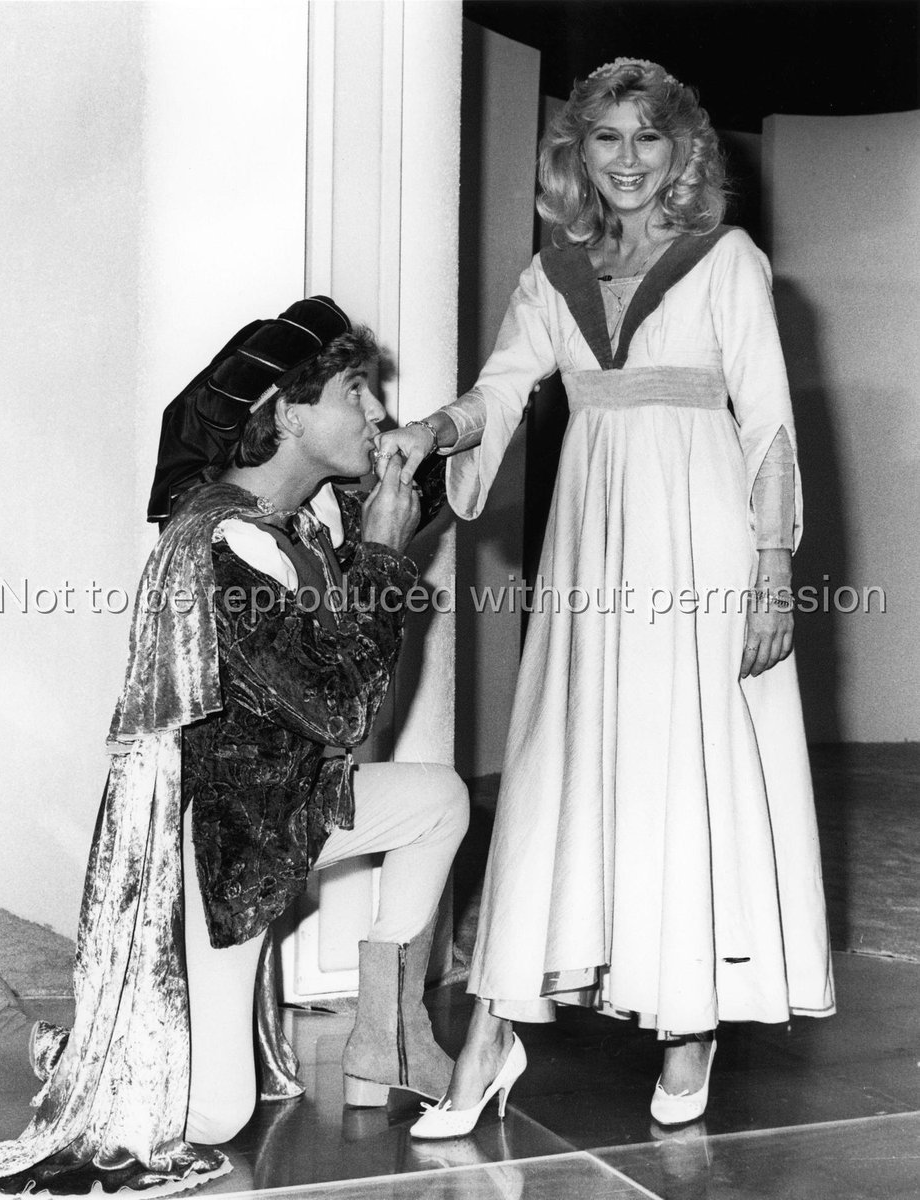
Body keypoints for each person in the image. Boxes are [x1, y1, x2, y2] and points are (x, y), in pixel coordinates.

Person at [378, 59, 835, 1138]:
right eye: (604, 138)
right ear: (574, 153)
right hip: (592, 554)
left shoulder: (727, 261)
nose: (627, 159)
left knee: (686, 768)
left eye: (647, 138)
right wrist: (431, 430)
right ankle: (491, 1038)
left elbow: (768, 421)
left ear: (682, 153)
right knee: (556, 764)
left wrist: (772, 569)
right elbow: (500, 390)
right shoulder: (553, 275)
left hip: (704, 549)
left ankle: (689, 1026)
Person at [0, 297, 468, 1193]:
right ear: (288, 414)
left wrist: (443, 434)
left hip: (288, 813)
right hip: (217, 854)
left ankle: (385, 1037)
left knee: (438, 799)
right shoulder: (220, 544)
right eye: (356, 393)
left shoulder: (294, 520)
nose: (377, 412)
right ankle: (13, 1036)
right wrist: (385, 559)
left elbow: (423, 484)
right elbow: (341, 708)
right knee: (209, 1117)